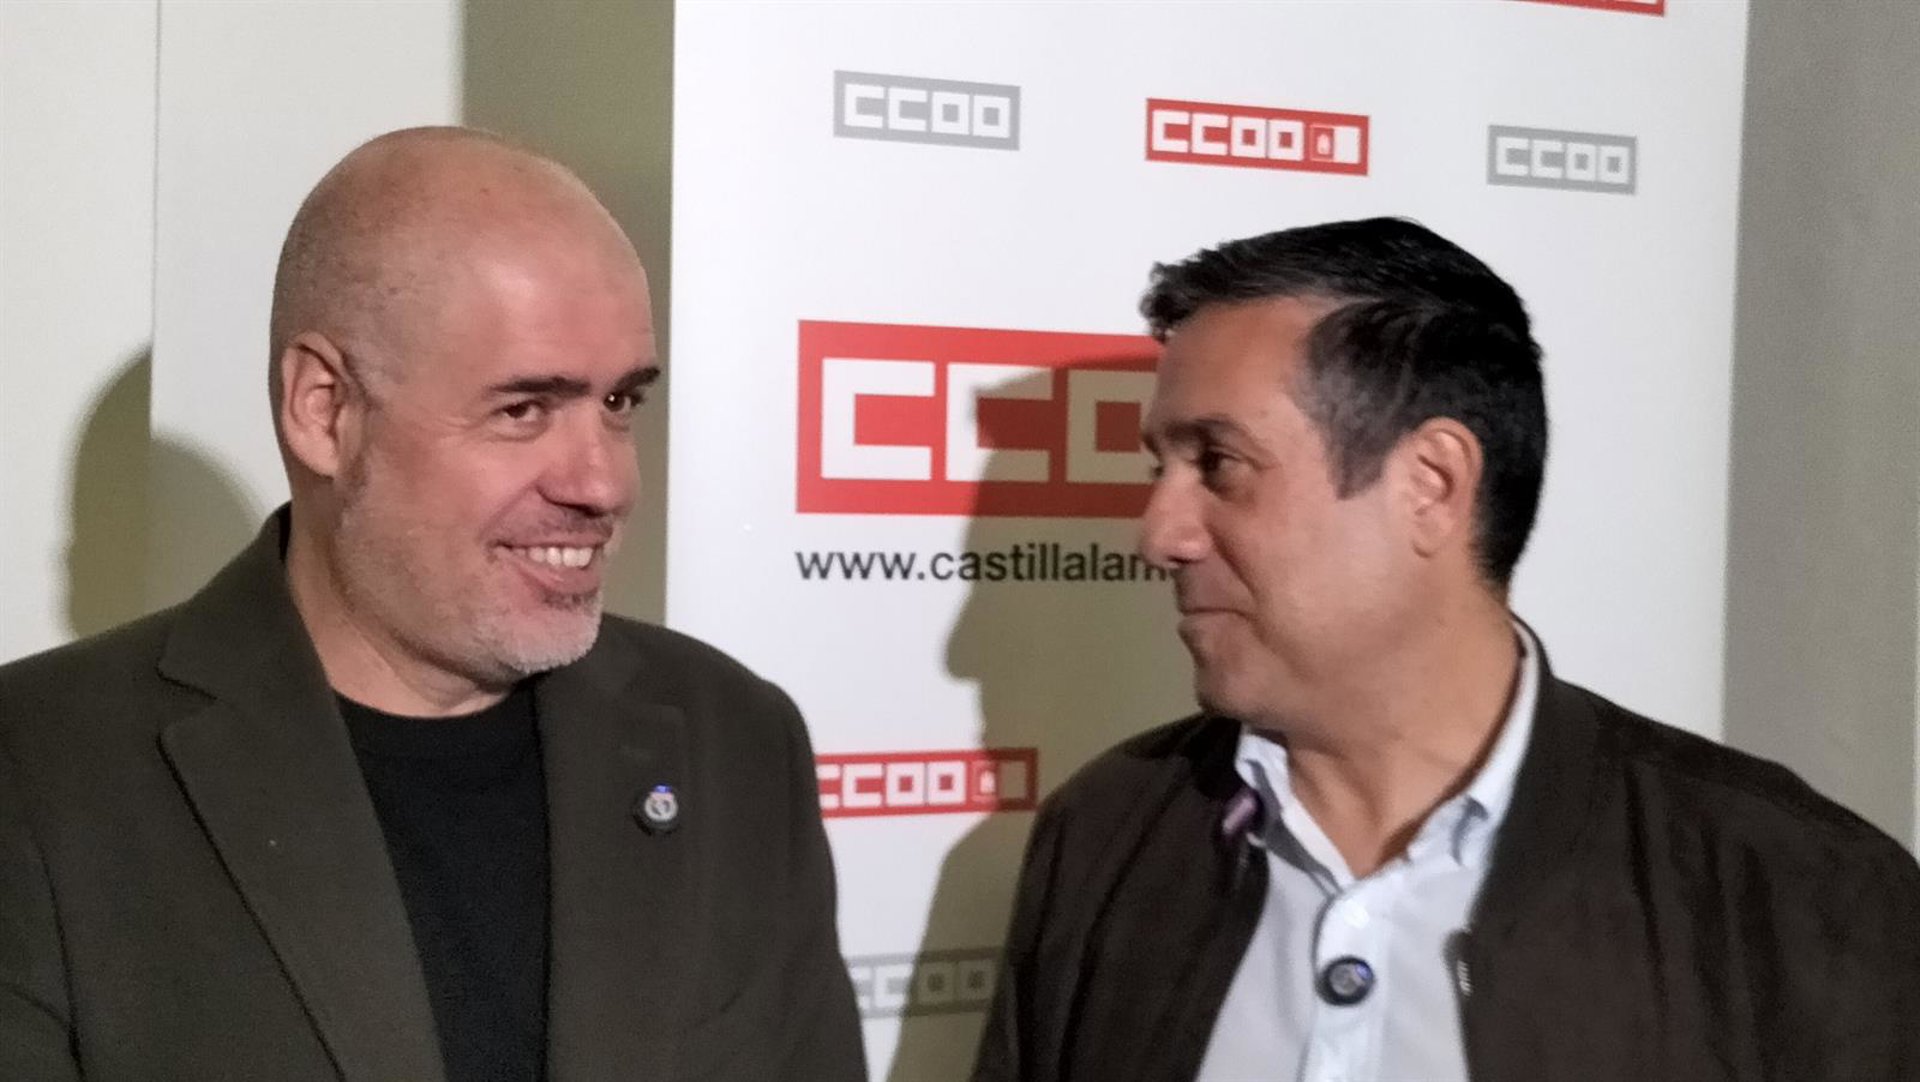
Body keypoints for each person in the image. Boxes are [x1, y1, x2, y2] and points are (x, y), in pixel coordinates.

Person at [0, 127, 865, 1082]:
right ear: (324, 409)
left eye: (620, 404)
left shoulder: (732, 741)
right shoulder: (38, 773)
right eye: (523, 410)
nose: (603, 483)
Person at [973, 218, 1920, 1082]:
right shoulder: (1107, 835)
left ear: (1430, 484)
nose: (1159, 534)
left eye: (1219, 463)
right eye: (1160, 469)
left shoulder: (1798, 894)